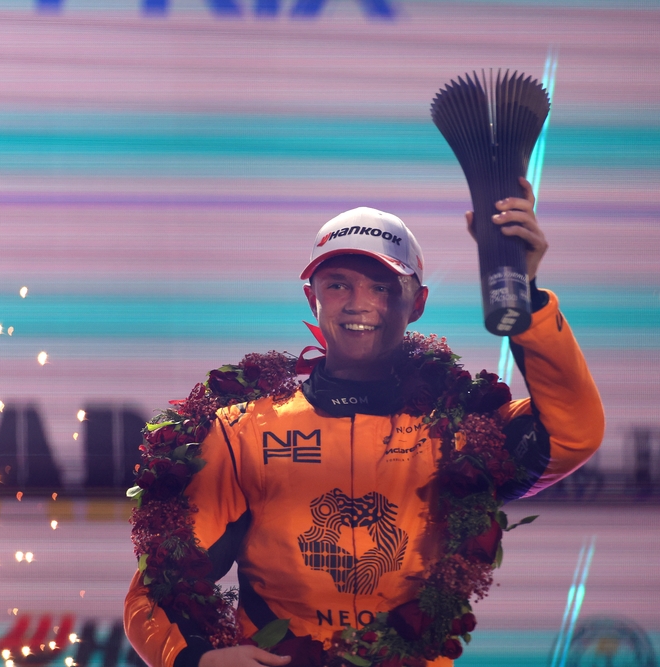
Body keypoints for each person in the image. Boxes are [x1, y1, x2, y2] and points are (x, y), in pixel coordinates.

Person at [125, 177, 605, 667]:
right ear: (312, 296)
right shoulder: (242, 432)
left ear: (416, 303)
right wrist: (195, 661)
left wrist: (522, 294)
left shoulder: (461, 430)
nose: (359, 303)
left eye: (382, 287)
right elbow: (157, 589)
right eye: (339, 285)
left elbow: (572, 433)